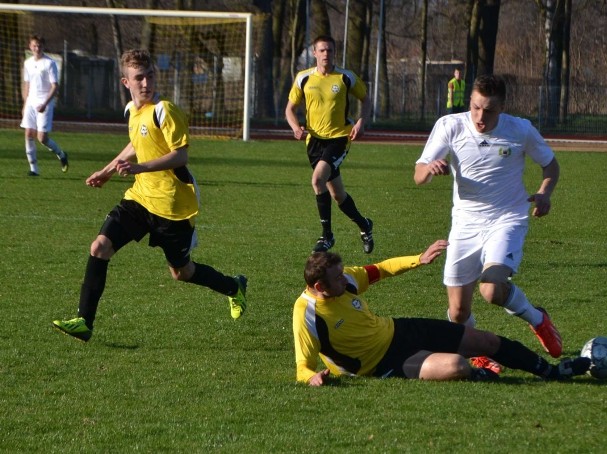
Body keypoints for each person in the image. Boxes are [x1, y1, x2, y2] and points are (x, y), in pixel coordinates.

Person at [51, 49, 247, 342]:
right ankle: (84, 321)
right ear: (125, 82)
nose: (146, 83)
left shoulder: (164, 110)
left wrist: (140, 167)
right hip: (140, 199)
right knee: (99, 247)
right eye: (139, 77)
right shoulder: (132, 110)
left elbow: (180, 156)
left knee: (182, 272)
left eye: (150, 75)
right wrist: (106, 171)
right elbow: (135, 142)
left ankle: (234, 287)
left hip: (173, 206)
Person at [413, 74, 564, 374]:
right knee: (458, 312)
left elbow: (550, 165)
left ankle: (537, 319)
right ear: (470, 101)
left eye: (489, 110)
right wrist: (429, 168)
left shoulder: (520, 130)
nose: (481, 117)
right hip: (465, 223)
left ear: (502, 107)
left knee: (492, 289)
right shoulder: (450, 126)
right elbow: (418, 174)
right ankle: (475, 351)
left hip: (507, 218)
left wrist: (545, 193)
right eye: (476, 108)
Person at [292, 239, 590, 385]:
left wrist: (418, 259)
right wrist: (312, 378)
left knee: (485, 340)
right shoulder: (307, 313)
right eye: (337, 278)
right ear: (319, 285)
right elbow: (302, 366)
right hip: (382, 363)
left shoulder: (344, 281)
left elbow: (380, 269)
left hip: (400, 330)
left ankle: (553, 372)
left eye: (343, 274)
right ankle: (478, 375)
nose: (344, 279)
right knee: (457, 367)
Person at [285, 35, 374, 254]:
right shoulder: (303, 78)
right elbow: (290, 109)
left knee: (317, 180)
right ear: (314, 53)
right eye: (322, 50)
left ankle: (327, 236)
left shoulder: (345, 77)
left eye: (330, 51)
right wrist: (296, 127)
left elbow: (366, 99)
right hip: (314, 142)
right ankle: (365, 225)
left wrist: (362, 122)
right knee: (338, 195)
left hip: (339, 139)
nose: (326, 54)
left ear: (335, 53)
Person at [20, 34, 68, 176]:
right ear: (30, 46)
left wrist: (45, 103)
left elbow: (55, 86)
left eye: (39, 45)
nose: (37, 48)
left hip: (44, 102)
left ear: (43, 46)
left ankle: (61, 154)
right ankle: (33, 169)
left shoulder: (49, 63)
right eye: (34, 45)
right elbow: (26, 84)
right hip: (30, 102)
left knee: (42, 138)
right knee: (28, 133)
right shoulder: (27, 62)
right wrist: (25, 104)